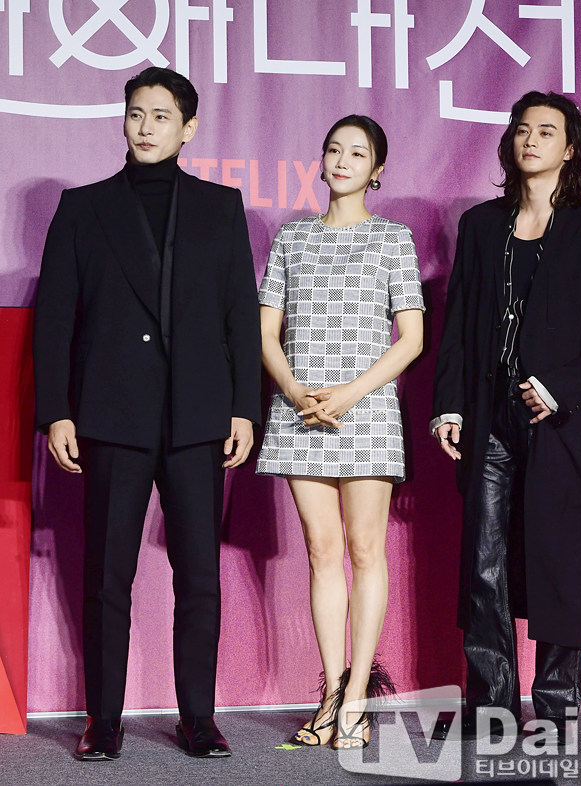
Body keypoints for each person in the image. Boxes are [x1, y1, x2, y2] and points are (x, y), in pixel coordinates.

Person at [32, 67, 261, 760]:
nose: (146, 126)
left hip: (197, 416)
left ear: (188, 128)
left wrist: (244, 408)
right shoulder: (83, 208)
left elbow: (240, 315)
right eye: (136, 113)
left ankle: (199, 718)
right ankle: (103, 720)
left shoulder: (221, 207)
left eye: (162, 116)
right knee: (107, 578)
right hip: (111, 414)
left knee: (200, 578)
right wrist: (57, 412)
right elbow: (55, 320)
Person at [431, 92, 581, 743]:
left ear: (570, 149)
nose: (530, 139)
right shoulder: (481, 226)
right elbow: (458, 323)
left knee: (562, 561)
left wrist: (560, 388)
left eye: (546, 132)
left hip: (565, 423)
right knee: (484, 563)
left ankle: (555, 707)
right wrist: (449, 403)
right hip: (489, 416)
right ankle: (490, 705)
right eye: (523, 129)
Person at [256, 115, 424, 748]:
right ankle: (330, 692)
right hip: (301, 413)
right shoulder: (292, 238)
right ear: (321, 161)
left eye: (358, 153)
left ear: (377, 170)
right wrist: (298, 393)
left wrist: (351, 393)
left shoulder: (393, 239)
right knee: (321, 552)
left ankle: (357, 697)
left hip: (368, 412)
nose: (343, 160)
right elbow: (266, 333)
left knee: (364, 550)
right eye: (334, 149)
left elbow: (411, 338)